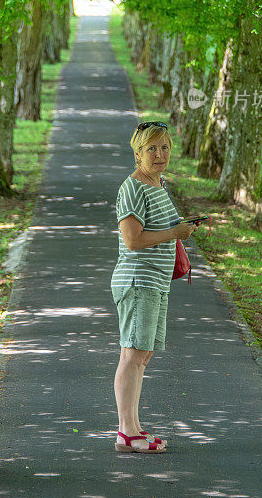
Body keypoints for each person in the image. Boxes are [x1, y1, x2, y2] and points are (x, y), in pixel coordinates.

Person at [111, 120, 203, 454]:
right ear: (137, 153)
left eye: (164, 147)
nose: (159, 154)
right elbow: (132, 240)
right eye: (151, 148)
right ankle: (125, 433)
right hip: (138, 280)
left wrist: (180, 229)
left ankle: (133, 428)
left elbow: (160, 230)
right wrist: (173, 233)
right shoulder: (133, 187)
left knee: (141, 355)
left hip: (155, 281)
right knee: (133, 354)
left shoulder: (158, 185)